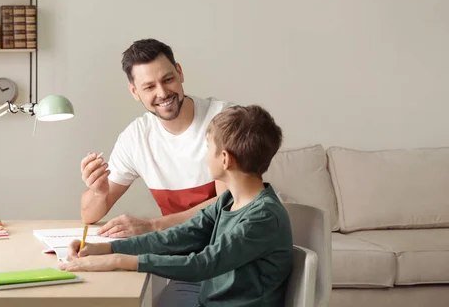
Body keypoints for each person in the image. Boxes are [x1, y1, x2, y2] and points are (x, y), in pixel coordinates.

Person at [62, 105, 294, 307]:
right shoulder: (229, 201)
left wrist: (118, 261)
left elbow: (204, 263)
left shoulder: (262, 218)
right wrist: (105, 249)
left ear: (225, 159)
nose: (205, 156)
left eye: (207, 147)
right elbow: (179, 237)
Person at [80, 38, 234, 237]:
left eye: (168, 79)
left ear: (180, 72)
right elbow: (88, 216)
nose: (162, 93)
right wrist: (100, 193)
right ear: (134, 92)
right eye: (149, 87)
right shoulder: (136, 138)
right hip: (177, 246)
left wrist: (153, 226)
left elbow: (227, 204)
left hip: (225, 240)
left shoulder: (224, 119)